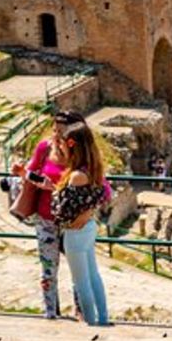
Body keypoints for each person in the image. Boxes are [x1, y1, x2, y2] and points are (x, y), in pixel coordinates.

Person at [11, 109, 80, 319]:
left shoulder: (81, 153)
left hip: (72, 221)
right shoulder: (44, 148)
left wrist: (57, 187)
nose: (57, 135)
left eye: (62, 131)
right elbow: (29, 174)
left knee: (78, 269)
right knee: (48, 268)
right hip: (46, 218)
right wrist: (24, 174)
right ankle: (50, 312)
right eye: (55, 130)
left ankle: (81, 311)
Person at [50, 121, 110, 327]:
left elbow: (64, 210)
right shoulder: (92, 169)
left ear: (73, 146)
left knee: (81, 281)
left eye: (64, 145)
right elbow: (100, 195)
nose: (62, 149)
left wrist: (57, 197)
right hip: (88, 228)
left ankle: (92, 322)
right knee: (93, 275)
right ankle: (103, 318)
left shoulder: (76, 176)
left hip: (75, 233)